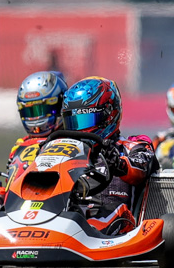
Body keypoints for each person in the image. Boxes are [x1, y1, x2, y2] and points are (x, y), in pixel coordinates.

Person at [59, 76, 156, 233]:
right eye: (73, 122)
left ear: (109, 115)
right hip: (67, 219)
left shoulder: (133, 145)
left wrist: (119, 164)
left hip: (115, 222)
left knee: (112, 217)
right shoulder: (64, 150)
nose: (78, 130)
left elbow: (141, 167)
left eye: (86, 120)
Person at [6, 70, 68, 175]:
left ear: (60, 105)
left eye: (41, 110)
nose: (36, 118)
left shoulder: (74, 139)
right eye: (30, 111)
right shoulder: (20, 145)